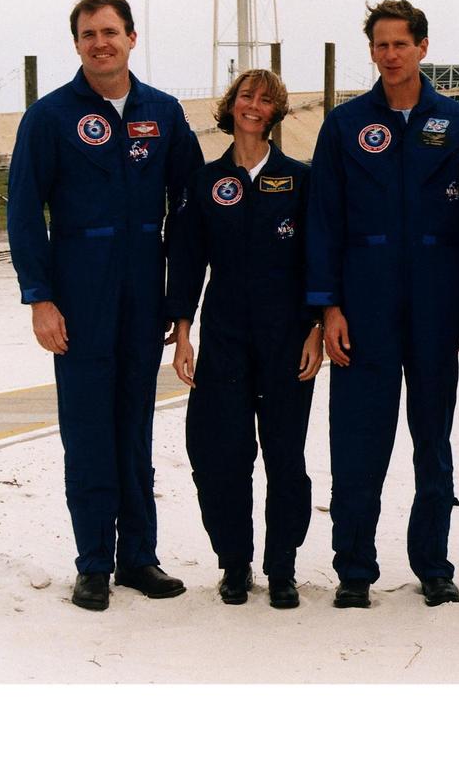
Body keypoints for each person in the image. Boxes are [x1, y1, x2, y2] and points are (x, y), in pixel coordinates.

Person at [7, 0, 203, 611]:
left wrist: (179, 305)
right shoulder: (50, 117)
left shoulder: (164, 114)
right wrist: (41, 297)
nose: (101, 43)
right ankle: (93, 561)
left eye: (111, 31)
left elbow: (191, 210)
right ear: (76, 44)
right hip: (81, 294)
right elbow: (22, 213)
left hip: (144, 293)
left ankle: (139, 558)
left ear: (132, 38)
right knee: (89, 430)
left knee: (135, 429)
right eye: (89, 34)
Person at [306, 0, 459, 609]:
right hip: (365, 308)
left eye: (400, 44)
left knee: (432, 440)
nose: (390, 55)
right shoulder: (346, 125)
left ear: (423, 48)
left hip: (436, 307)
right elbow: (324, 220)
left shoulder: (457, 123)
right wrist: (329, 307)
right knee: (358, 443)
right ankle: (354, 568)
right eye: (380, 45)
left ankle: (433, 564)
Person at [166, 69, 322, 609]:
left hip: (287, 335)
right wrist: (183, 334)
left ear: (278, 112)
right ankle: (234, 562)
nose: (254, 106)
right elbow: (186, 260)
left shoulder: (300, 179)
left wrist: (316, 330)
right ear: (231, 105)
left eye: (266, 99)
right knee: (220, 453)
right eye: (246, 96)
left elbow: (317, 261)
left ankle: (282, 567)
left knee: (284, 456)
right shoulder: (205, 182)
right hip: (225, 333)